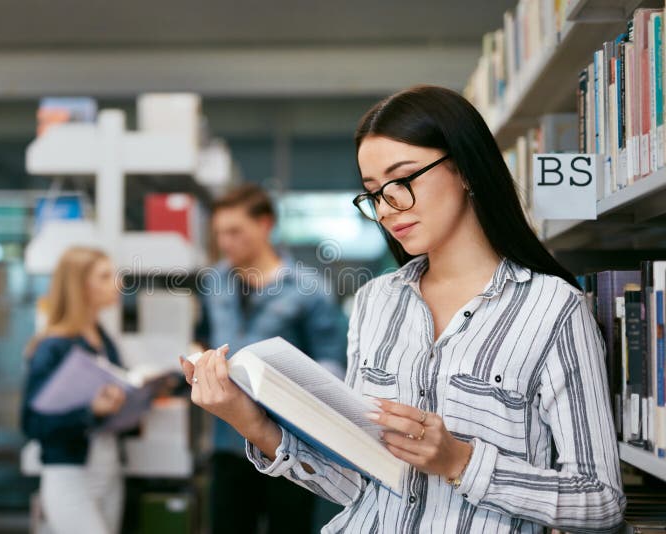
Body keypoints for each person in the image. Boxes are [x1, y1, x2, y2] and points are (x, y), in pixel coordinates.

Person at [180, 85, 626, 533]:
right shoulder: (376, 301)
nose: (388, 208)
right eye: (374, 192)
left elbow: (602, 500)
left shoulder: (553, 308)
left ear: (465, 169)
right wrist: (249, 421)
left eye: (403, 180)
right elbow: (357, 484)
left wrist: (461, 461)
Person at [193, 184, 349, 533]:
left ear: (265, 224)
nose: (225, 242)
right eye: (219, 233)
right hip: (227, 441)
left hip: (288, 444)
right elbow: (203, 334)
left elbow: (331, 362)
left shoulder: (309, 289)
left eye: (235, 232)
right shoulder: (213, 282)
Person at [21, 246, 127, 534]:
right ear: (80, 286)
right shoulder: (52, 348)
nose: (117, 283)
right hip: (69, 476)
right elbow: (31, 424)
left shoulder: (103, 340)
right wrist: (89, 411)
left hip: (107, 469)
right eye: (105, 276)